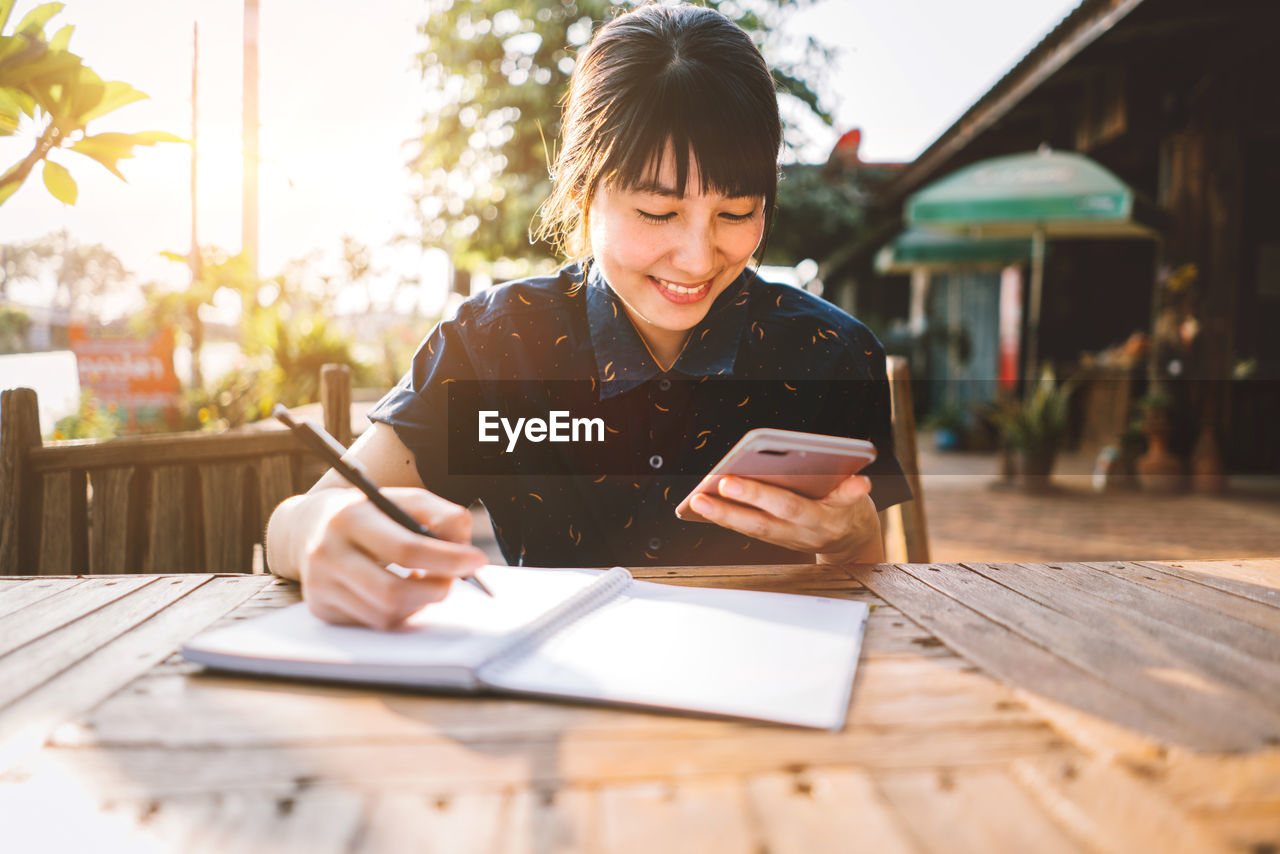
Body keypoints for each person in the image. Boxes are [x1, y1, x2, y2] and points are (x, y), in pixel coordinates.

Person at [265, 2, 910, 629]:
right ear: (582, 190)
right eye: (657, 213)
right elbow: (300, 523)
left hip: (770, 705)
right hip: (548, 704)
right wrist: (314, 529)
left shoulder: (832, 353)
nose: (695, 258)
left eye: (736, 213)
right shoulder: (495, 342)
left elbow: (876, 596)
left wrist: (852, 540)